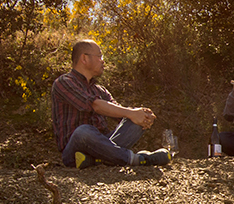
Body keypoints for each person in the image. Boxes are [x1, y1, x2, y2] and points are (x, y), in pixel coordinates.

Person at [51, 40, 171, 168]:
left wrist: (142, 116)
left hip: (106, 144)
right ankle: (138, 159)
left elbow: (120, 112)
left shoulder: (99, 89)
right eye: (100, 56)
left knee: (134, 122)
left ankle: (96, 160)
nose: (103, 61)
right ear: (84, 58)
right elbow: (94, 105)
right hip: (75, 150)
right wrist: (131, 113)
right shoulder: (64, 82)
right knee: (83, 131)